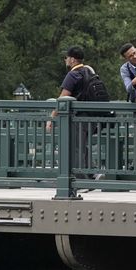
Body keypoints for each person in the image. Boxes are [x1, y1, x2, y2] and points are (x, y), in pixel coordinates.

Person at [47, 46, 103, 178]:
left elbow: (63, 98)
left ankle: (80, 179)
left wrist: (52, 117)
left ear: (72, 59)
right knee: (82, 145)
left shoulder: (73, 74)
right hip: (92, 117)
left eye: (66, 57)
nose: (65, 60)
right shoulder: (89, 71)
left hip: (78, 117)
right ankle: (93, 172)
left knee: (76, 148)